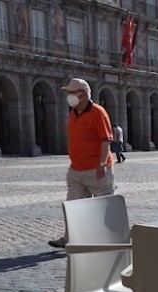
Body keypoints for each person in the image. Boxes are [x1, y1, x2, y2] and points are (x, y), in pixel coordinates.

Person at [48, 78, 115, 248]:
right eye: (68, 92)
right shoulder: (73, 112)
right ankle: (69, 239)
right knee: (72, 207)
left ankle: (111, 240)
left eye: (72, 92)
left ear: (83, 94)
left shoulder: (98, 113)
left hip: (96, 171)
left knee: (105, 208)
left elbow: (106, 140)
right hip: (76, 171)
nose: (69, 96)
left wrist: (101, 165)